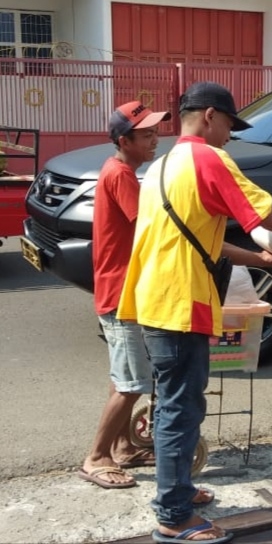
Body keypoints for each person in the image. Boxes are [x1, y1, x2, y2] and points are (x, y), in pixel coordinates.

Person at [117, 82, 272, 544]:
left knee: (175, 404)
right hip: (182, 301)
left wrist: (262, 262)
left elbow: (202, 239)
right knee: (182, 409)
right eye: (227, 125)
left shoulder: (162, 165)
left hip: (155, 297)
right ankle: (174, 516)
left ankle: (176, 489)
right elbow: (270, 219)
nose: (229, 137)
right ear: (207, 116)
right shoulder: (208, 159)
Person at [78, 101, 170, 491]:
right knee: (132, 382)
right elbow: (148, 229)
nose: (155, 139)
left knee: (124, 378)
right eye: (146, 134)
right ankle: (96, 457)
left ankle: (122, 446)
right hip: (122, 294)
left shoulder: (121, 171)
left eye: (154, 131)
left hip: (121, 289)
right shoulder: (121, 176)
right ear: (123, 140)